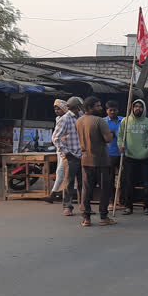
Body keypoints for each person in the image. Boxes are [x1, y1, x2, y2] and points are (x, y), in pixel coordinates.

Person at [75, 96, 115, 226]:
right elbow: (108, 139)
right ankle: (103, 217)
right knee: (104, 189)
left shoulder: (79, 121)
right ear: (89, 108)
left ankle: (86, 218)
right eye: (97, 106)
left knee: (86, 189)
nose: (101, 108)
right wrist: (112, 133)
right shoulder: (99, 121)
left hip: (85, 159)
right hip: (101, 160)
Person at [117, 98, 148, 215]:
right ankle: (128, 206)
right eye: (136, 106)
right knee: (129, 183)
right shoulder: (125, 121)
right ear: (132, 108)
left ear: (144, 108)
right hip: (129, 157)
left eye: (140, 106)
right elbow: (120, 136)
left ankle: (147, 207)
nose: (138, 108)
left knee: (146, 183)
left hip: (145, 157)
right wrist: (120, 145)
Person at [52, 96, 84, 217]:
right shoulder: (65, 119)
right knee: (69, 182)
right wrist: (65, 151)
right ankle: (67, 206)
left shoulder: (81, 116)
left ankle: (83, 206)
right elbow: (55, 138)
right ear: (76, 107)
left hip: (82, 154)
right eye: (80, 106)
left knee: (83, 183)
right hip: (71, 155)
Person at [48, 99, 68, 202]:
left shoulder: (68, 118)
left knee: (61, 171)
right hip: (59, 148)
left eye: (58, 108)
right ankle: (57, 192)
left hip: (67, 148)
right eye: (55, 109)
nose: (56, 110)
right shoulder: (57, 119)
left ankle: (54, 193)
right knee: (60, 171)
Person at [104, 100, 122, 203]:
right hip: (109, 153)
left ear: (117, 110)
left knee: (123, 179)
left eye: (114, 110)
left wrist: (114, 132)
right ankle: (111, 201)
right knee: (109, 179)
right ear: (107, 111)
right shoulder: (103, 122)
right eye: (110, 110)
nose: (112, 112)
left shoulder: (123, 120)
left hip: (122, 153)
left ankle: (122, 200)